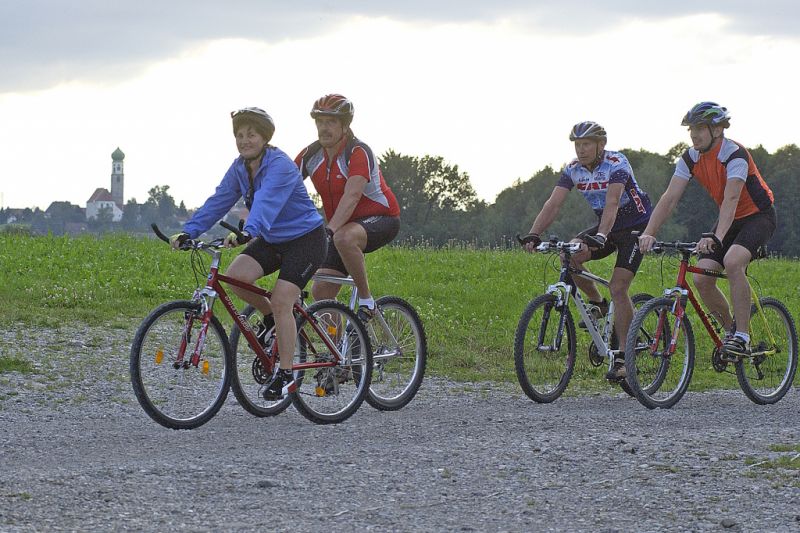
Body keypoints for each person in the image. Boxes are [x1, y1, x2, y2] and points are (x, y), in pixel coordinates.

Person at [170, 107, 326, 400]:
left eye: (251, 134)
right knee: (236, 277)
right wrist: (190, 231)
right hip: (272, 239)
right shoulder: (240, 167)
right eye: (239, 135)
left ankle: (286, 374)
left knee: (282, 301)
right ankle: (271, 319)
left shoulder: (279, 165)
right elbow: (219, 200)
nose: (244, 140)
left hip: (306, 240)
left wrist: (247, 230)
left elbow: (266, 203)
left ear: (265, 138)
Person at [637, 102, 776, 359]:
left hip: (758, 216)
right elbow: (669, 198)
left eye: (700, 128)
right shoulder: (691, 157)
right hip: (729, 218)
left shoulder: (735, 154)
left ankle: (743, 336)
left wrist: (716, 237)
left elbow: (732, 198)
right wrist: (649, 232)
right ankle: (731, 335)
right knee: (701, 278)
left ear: (717, 129)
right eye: (691, 129)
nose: (693, 134)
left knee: (733, 261)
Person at [523, 121, 653, 381]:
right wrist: (534, 233)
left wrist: (601, 236)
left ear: (600, 145)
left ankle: (625, 357)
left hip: (636, 227)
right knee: (568, 254)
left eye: (586, 145)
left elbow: (612, 202)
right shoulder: (573, 169)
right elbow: (554, 203)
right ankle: (598, 303)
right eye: (577, 145)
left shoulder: (617, 163)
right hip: (607, 225)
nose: (581, 150)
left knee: (618, 287)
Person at [295, 94, 401, 321]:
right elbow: (282, 187)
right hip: (340, 227)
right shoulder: (311, 155)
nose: (324, 128)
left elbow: (352, 195)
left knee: (343, 238)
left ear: (344, 125)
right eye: (320, 122)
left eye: (330, 122)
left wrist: (329, 231)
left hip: (382, 218)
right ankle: (340, 354)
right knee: (321, 291)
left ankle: (367, 301)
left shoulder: (358, 152)